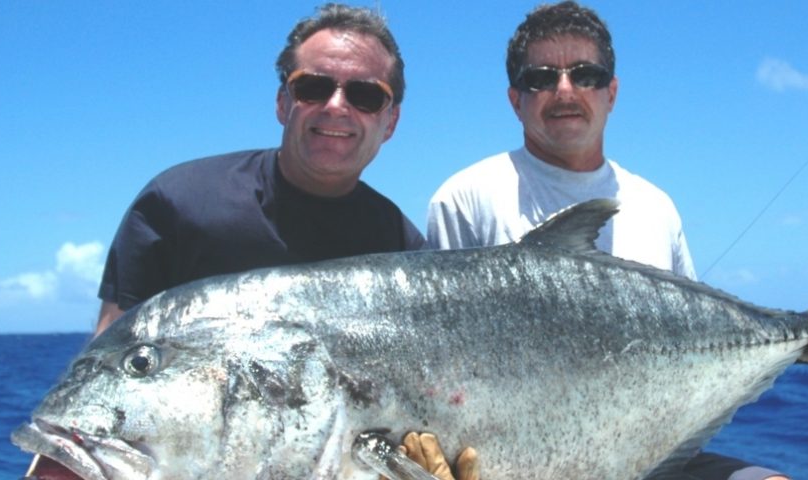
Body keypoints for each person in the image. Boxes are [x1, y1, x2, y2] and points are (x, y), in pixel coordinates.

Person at [26, 4, 474, 479]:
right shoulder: (178, 204)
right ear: (284, 101)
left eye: (365, 95)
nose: (336, 106)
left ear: (391, 121)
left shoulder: (404, 254)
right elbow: (108, 372)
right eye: (314, 87)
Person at [426, 2, 789, 480]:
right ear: (515, 99)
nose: (564, 90)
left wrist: (800, 337)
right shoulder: (465, 199)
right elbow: (437, 364)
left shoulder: (656, 205)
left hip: (654, 455)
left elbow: (701, 345)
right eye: (541, 77)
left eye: (586, 74)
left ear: (611, 93)